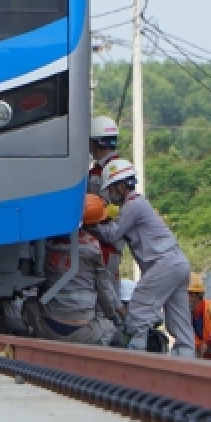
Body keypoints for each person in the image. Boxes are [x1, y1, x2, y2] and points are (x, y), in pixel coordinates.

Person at [94, 159, 195, 356]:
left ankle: (136, 354)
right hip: (178, 264)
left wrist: (90, 225)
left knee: (139, 306)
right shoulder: (139, 204)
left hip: (164, 264)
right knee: (179, 322)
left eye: (112, 188)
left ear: (122, 186)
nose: (110, 194)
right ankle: (186, 359)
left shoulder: (133, 205)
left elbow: (111, 234)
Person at [20, 194, 122, 346]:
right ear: (94, 224)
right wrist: (115, 316)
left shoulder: (47, 245)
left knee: (29, 304)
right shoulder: (93, 247)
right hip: (84, 332)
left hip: (49, 329)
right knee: (111, 329)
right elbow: (104, 289)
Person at [85, 116, 128, 307]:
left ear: (96, 142)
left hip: (104, 242)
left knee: (106, 296)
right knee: (108, 292)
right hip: (108, 243)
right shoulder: (118, 168)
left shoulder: (105, 172)